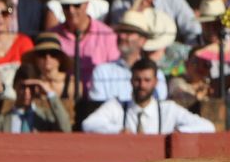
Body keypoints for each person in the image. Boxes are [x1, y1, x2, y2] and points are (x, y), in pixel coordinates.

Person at [81, 57, 216, 134]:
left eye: (147, 80)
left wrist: (179, 132)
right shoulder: (117, 106)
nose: (142, 85)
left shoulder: (168, 109)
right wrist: (118, 130)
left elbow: (208, 127)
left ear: (155, 82)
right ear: (131, 81)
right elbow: (88, 124)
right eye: (137, 80)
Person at [0, 73, 74, 133]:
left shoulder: (46, 117)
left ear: (37, 89)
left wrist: (49, 93)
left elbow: (66, 129)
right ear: (14, 86)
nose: (27, 92)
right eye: (23, 87)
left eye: (31, 87)